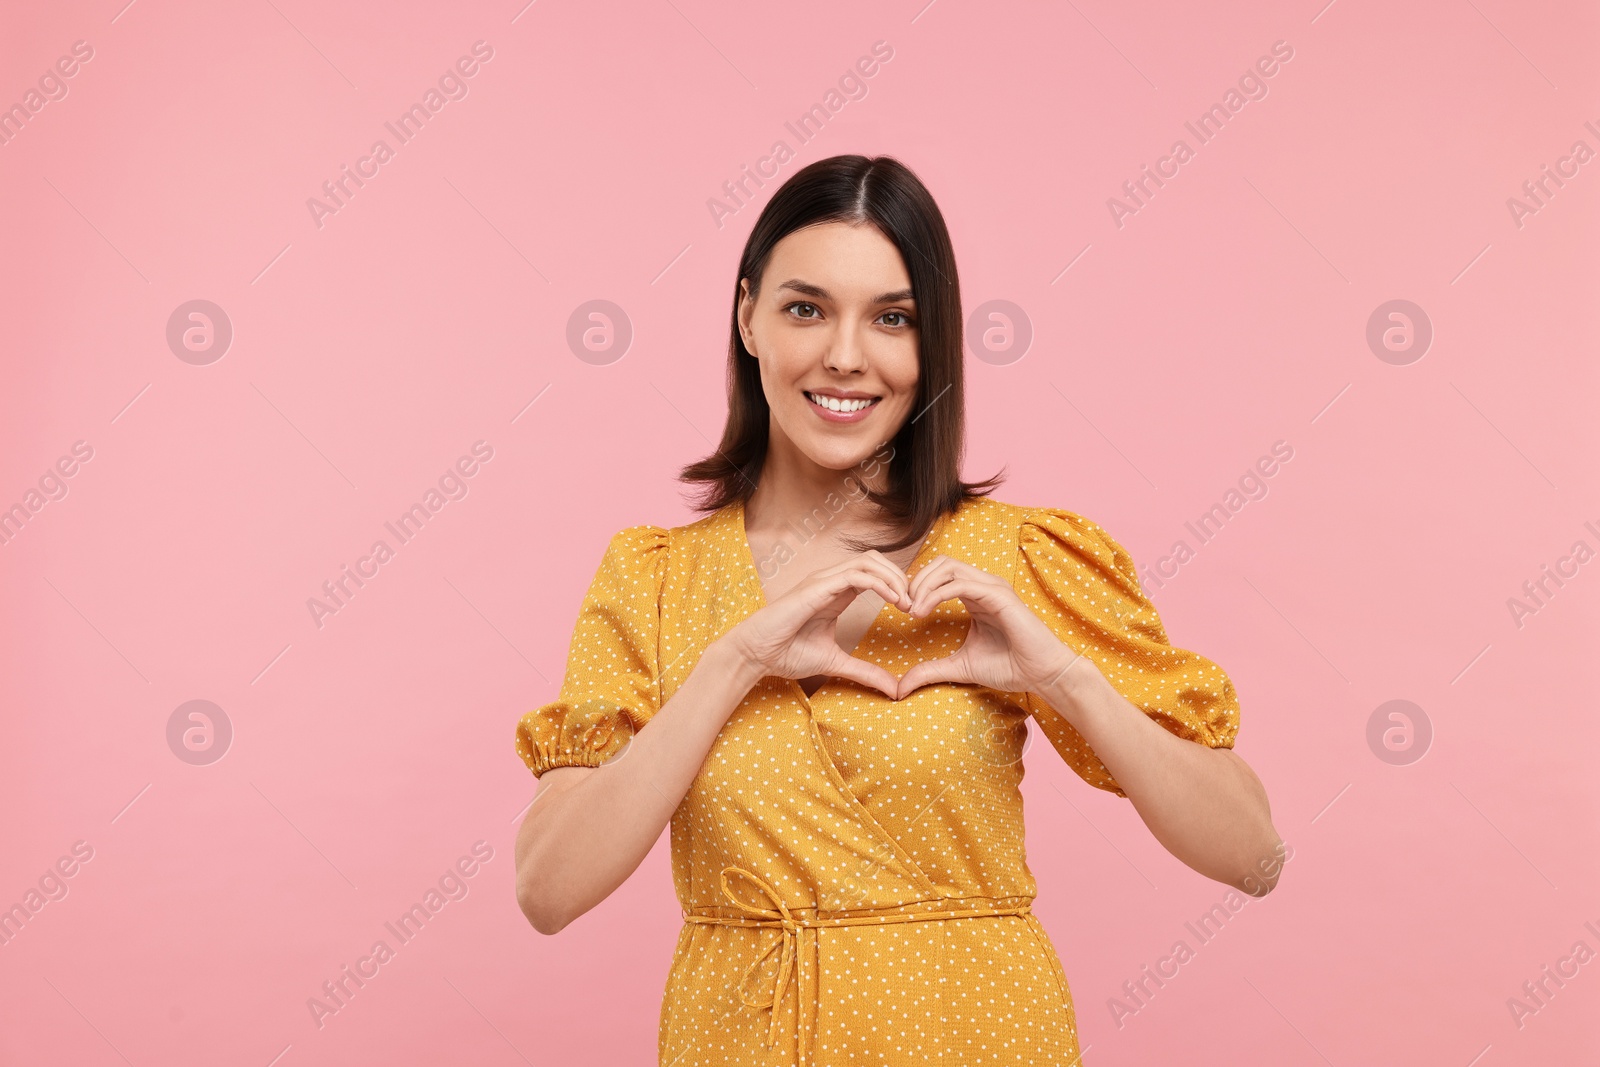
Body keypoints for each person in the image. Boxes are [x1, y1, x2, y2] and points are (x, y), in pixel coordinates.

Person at [513, 154, 1283, 1066]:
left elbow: (1254, 855)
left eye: (893, 318)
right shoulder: (654, 579)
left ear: (934, 344)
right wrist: (734, 662)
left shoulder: (1019, 559)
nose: (846, 355)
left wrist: (1066, 681)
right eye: (807, 308)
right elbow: (548, 890)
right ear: (747, 315)